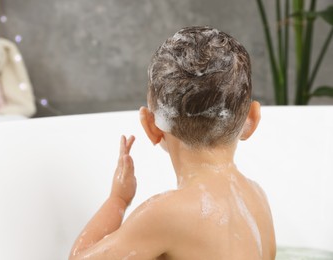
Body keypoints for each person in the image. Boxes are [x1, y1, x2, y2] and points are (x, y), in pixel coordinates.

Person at [69, 26, 276, 260]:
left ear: (152, 126)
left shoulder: (165, 215)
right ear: (252, 119)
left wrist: (117, 200)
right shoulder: (257, 199)